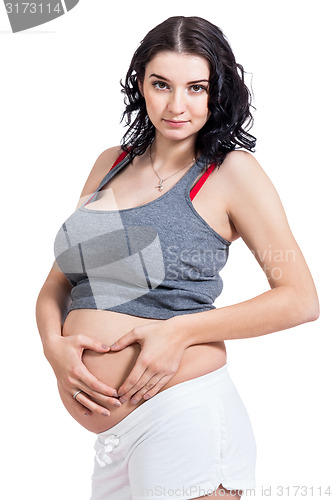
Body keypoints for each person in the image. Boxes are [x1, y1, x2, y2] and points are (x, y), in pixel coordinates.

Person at [35, 15, 319, 500]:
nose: (176, 105)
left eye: (196, 87)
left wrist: (178, 331)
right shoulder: (112, 163)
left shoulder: (231, 173)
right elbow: (58, 284)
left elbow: (300, 300)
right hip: (114, 440)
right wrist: (53, 348)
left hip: (186, 419)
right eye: (162, 84)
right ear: (140, 85)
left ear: (217, 93)